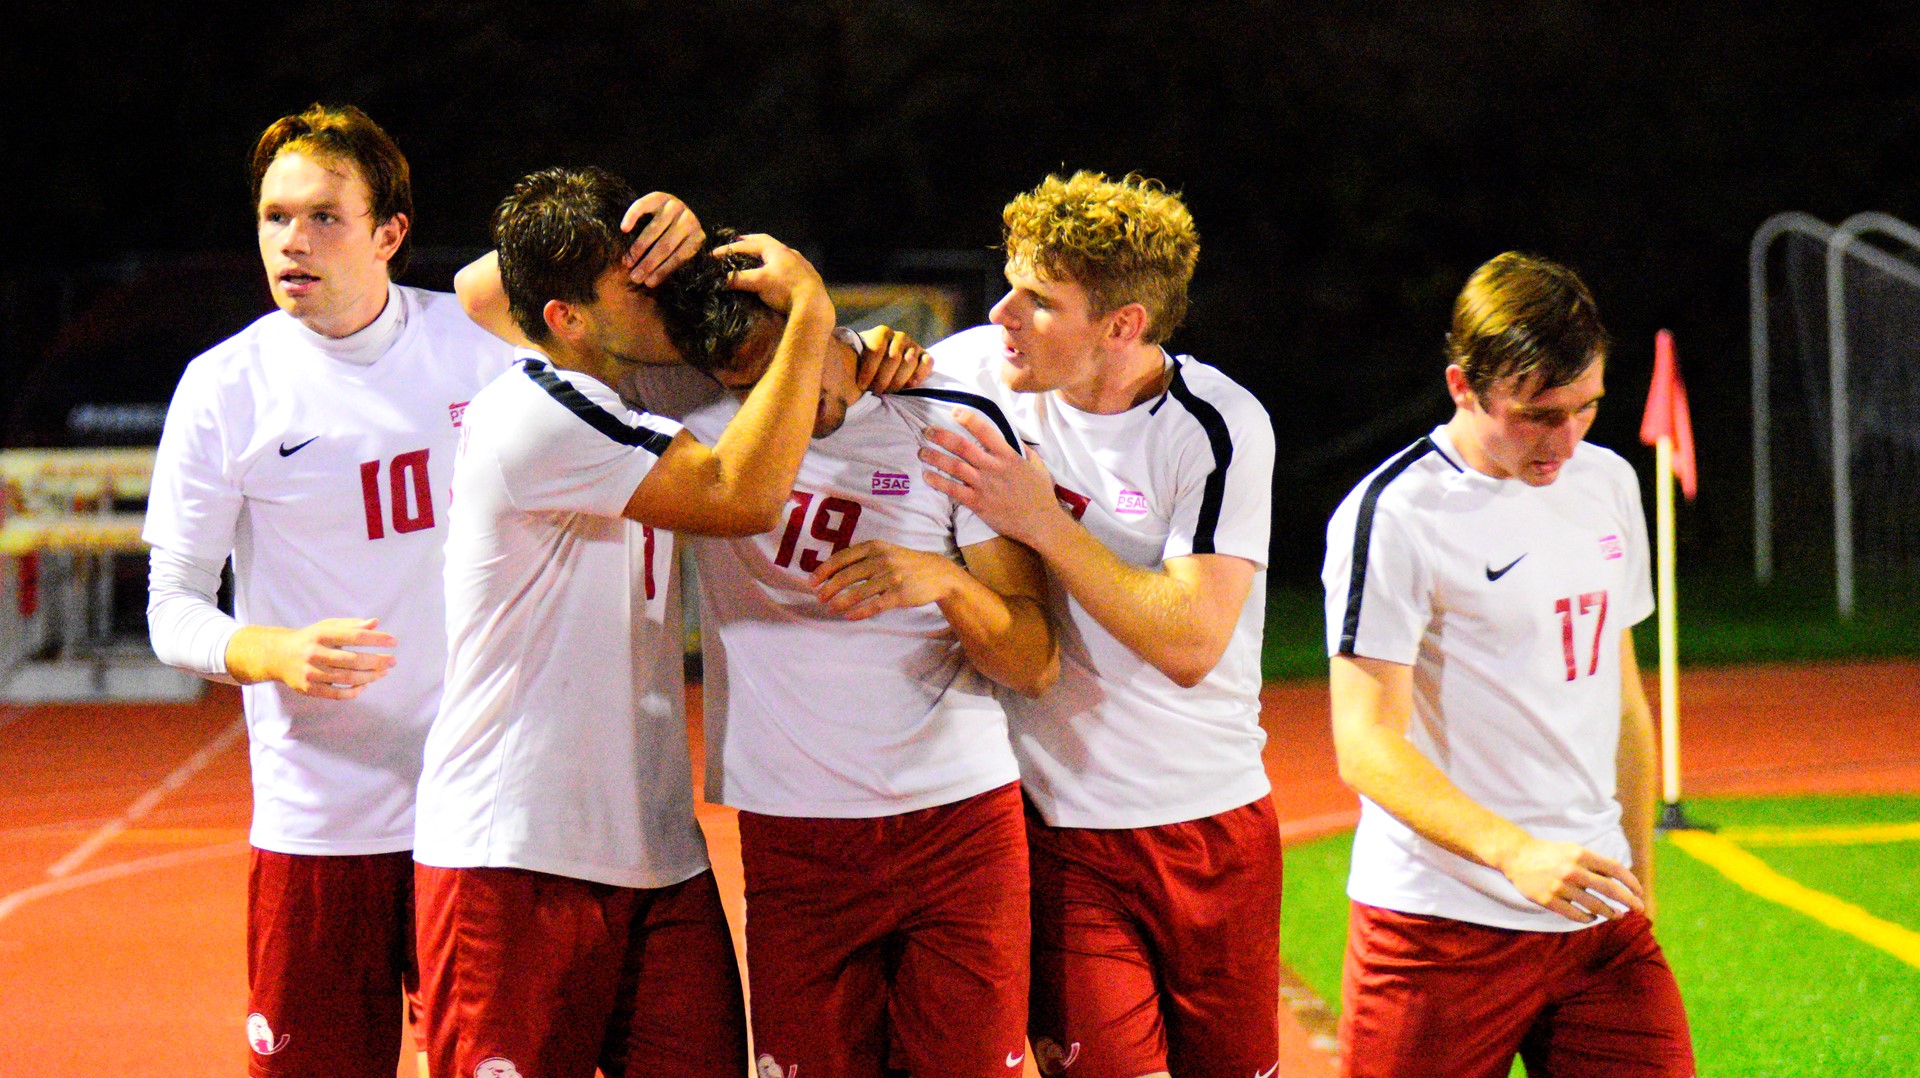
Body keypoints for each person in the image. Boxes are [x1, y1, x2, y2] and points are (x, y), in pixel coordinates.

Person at [142, 105, 701, 1076]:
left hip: (490, 818)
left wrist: (667, 234)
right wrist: (261, 649)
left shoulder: (474, 344)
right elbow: (172, 602)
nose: (291, 242)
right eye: (274, 217)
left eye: (324, 217)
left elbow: (534, 273)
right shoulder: (224, 385)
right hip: (323, 819)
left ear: (392, 232)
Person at [410, 166, 832, 1078]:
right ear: (566, 317)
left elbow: (491, 282)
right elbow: (743, 492)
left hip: (654, 849)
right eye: (629, 277)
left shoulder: (626, 384)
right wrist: (812, 315)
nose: (656, 287)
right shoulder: (539, 413)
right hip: (514, 856)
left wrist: (664, 219)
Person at [643, 238, 1056, 1078]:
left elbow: (1034, 660)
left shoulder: (947, 420)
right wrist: (673, 228)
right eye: (747, 384)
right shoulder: (686, 418)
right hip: (794, 829)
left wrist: (946, 581)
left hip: (958, 822)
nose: (781, 396)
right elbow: (492, 290)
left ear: (821, 321)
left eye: (791, 359)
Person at [921, 171, 1280, 1078]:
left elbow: (1192, 642)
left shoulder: (1217, 425)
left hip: (1213, 828)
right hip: (1060, 834)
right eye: (1008, 282)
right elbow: (833, 360)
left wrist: (1042, 519)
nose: (1001, 313)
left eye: (1038, 300)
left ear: (1124, 326)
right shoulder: (973, 372)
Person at [1320, 252, 1694, 1077]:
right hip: (1436, 930)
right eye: (1536, 414)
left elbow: (1621, 700)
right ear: (1462, 386)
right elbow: (1363, 742)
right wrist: (1513, 852)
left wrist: (1640, 879)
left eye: (1586, 408)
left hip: (1598, 919)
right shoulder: (1395, 515)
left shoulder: (1608, 483)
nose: (1564, 440)